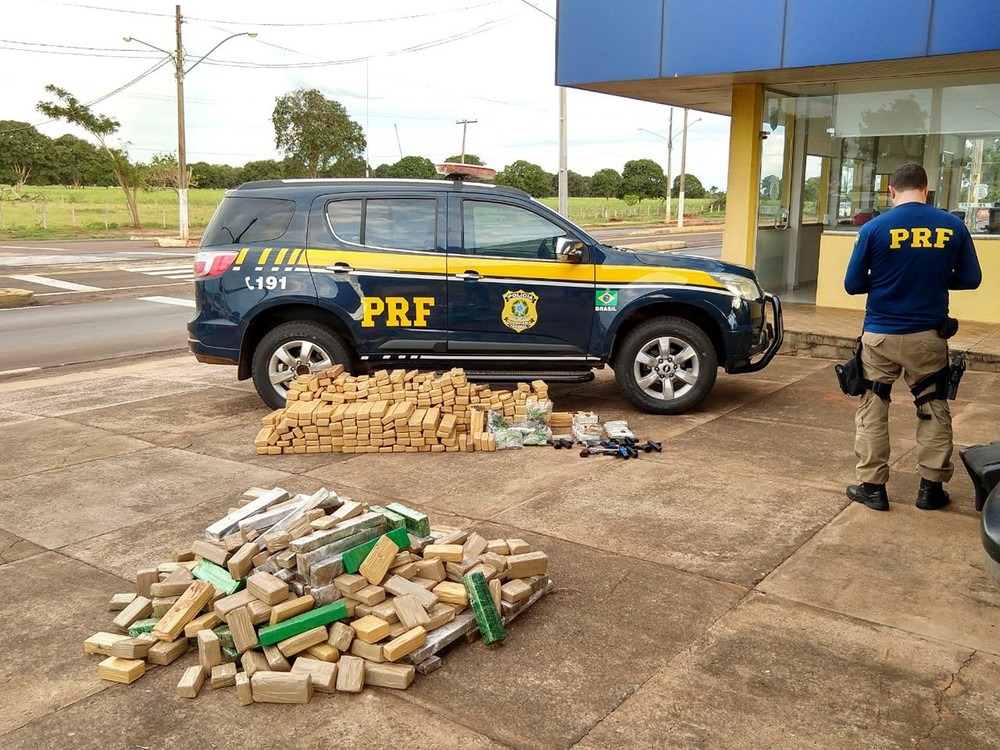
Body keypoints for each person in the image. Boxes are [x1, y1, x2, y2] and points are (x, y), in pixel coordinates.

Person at [843, 163, 982, 511]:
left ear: (892, 191)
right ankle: (930, 490)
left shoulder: (874, 228)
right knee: (933, 405)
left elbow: (852, 285)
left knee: (873, 405)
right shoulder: (952, 225)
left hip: (880, 336)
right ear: (926, 188)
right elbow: (971, 278)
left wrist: (890, 278)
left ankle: (873, 489)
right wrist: (932, 278)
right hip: (928, 336)